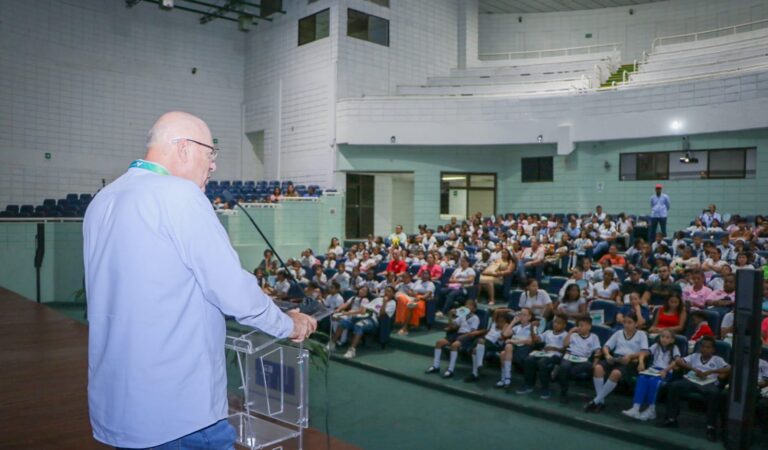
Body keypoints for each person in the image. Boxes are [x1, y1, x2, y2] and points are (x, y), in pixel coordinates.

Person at [82, 112, 317, 449]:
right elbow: (233, 293)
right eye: (211, 154)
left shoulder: (103, 200)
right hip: (179, 413)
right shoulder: (179, 196)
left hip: (122, 408)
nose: (213, 166)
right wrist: (288, 325)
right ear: (183, 148)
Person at [661, 336, 731, 441]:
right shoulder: (695, 356)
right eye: (703, 346)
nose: (704, 349)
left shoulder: (717, 359)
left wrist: (710, 372)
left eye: (708, 347)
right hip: (691, 380)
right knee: (673, 386)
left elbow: (729, 368)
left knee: (715, 393)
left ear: (713, 350)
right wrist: (694, 368)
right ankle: (671, 419)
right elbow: (679, 361)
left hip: (708, 382)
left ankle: (710, 427)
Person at [585, 313, 649, 413]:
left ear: (636, 324)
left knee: (616, 373)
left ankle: (595, 401)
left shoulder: (641, 334)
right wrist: (607, 355)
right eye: (625, 322)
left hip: (630, 361)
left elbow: (645, 351)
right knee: (598, 368)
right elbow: (606, 347)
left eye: (630, 323)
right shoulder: (619, 333)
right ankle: (600, 401)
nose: (626, 325)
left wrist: (630, 356)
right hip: (616, 358)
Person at [622, 329, 680, 421]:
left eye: (667, 337)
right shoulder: (656, 346)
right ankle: (636, 408)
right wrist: (641, 362)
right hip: (653, 370)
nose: (664, 339)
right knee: (641, 378)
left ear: (672, 340)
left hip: (665, 372)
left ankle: (651, 410)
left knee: (653, 382)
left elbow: (677, 360)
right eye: (662, 337)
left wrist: (665, 370)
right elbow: (643, 353)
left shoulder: (675, 348)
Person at [516, 313, 569, 399]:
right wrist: (532, 328)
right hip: (544, 353)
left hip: (556, 355)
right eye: (555, 322)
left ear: (564, 325)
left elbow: (566, 350)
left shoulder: (566, 335)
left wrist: (555, 348)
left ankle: (545, 388)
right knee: (529, 359)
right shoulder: (548, 332)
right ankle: (529, 384)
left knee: (542, 362)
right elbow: (536, 340)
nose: (555, 324)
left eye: (559, 323)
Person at [425, 300, 481, 378]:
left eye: (470, 305)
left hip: (467, 336)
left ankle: (450, 370)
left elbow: (472, 333)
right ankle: (436, 366)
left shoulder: (475, 318)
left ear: (474, 309)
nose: (467, 306)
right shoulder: (462, 316)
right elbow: (452, 326)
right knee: (439, 343)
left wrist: (463, 336)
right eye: (466, 305)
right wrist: (450, 316)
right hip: (457, 334)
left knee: (454, 345)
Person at [342, 286, 397, 359]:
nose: (386, 293)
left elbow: (381, 314)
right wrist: (362, 310)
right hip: (364, 316)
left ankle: (352, 350)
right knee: (344, 322)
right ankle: (332, 343)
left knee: (359, 325)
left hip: (374, 321)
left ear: (393, 294)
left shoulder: (392, 303)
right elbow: (366, 307)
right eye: (386, 291)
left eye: (389, 291)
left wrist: (384, 303)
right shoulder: (378, 299)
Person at [558, 316, 601, 404]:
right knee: (564, 366)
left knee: (589, 365)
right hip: (570, 356)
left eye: (582, 325)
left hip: (583, 360)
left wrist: (595, 364)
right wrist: (570, 332)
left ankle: (563, 373)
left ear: (589, 326)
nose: (579, 327)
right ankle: (563, 393)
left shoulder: (594, 337)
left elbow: (598, 352)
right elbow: (565, 344)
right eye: (578, 325)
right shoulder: (574, 335)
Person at [465, 312, 510, 383]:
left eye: (502, 322)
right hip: (484, 343)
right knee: (475, 350)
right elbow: (496, 311)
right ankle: (474, 374)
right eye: (498, 321)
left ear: (505, 322)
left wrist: (505, 324)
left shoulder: (506, 327)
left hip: (495, 345)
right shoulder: (493, 325)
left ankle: (480, 364)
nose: (499, 323)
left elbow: (502, 337)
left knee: (480, 340)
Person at [497, 308, 536, 388]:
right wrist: (513, 322)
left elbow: (531, 341)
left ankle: (507, 377)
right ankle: (504, 378)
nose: (521, 316)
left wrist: (514, 341)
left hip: (524, 350)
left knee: (508, 346)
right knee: (502, 354)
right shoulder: (517, 327)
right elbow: (505, 334)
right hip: (513, 350)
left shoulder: (532, 327)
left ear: (529, 317)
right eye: (520, 314)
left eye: (524, 315)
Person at [395, 270, 435, 335]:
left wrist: (418, 297)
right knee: (401, 298)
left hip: (422, 299)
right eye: (423, 274)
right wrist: (412, 294)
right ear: (421, 275)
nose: (424, 275)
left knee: (411, 305)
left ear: (429, 276)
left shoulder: (430, 284)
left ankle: (405, 327)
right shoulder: (418, 281)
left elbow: (427, 295)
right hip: (413, 297)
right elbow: (410, 291)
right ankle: (402, 321)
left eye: (426, 274)